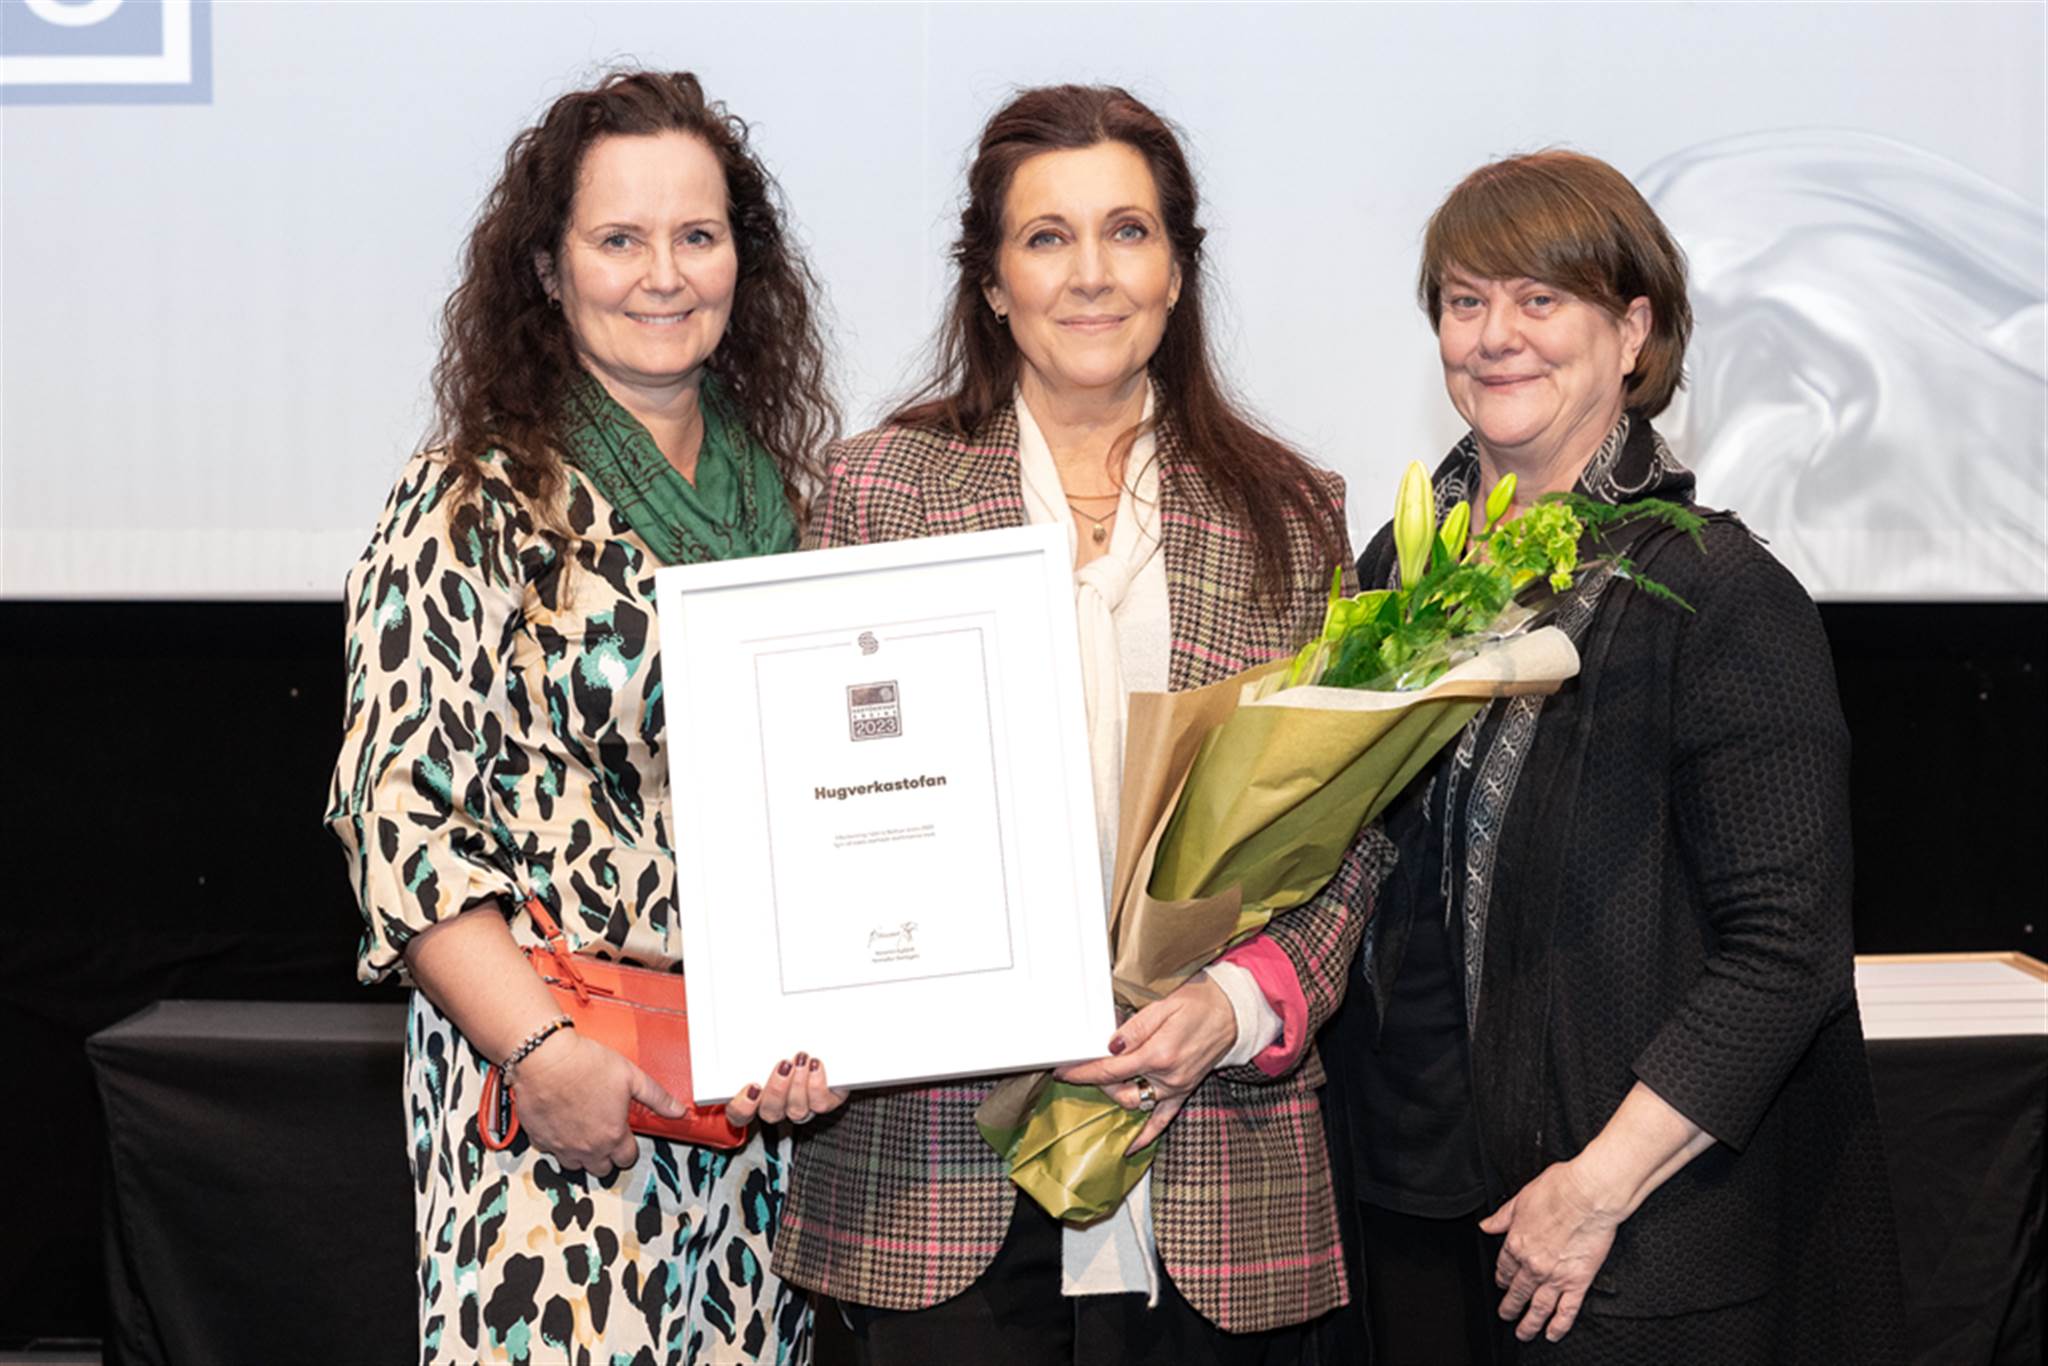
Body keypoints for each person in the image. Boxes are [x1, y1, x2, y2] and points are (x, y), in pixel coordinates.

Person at [721, 85, 1389, 1365]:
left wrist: (1236, 1003)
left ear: (1177, 270)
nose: (1090, 274)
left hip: (1212, 1170)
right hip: (934, 1174)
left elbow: (1351, 833)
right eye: (1045, 238)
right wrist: (809, 1011)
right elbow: (802, 809)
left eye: (1127, 232)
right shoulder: (876, 493)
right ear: (989, 282)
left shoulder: (1289, 513)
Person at [1320, 150, 1906, 1364]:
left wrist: (1594, 1187)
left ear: (1631, 331)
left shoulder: (1714, 592)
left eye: (1540, 299)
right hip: (1402, 1202)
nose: (1494, 335)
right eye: (1465, 300)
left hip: (1618, 1236)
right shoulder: (1394, 571)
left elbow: (1786, 952)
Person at [326, 70, 835, 1364]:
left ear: (742, 262)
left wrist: (825, 1018)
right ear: (550, 271)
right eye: (619, 238)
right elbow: (399, 820)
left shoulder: (789, 508)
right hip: (553, 1110)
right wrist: (542, 1051)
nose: (663, 274)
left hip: (747, 1124)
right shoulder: (469, 501)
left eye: (697, 235)